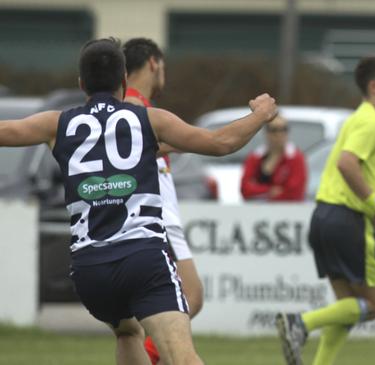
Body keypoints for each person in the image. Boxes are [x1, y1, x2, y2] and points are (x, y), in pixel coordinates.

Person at [0, 38, 277, 365]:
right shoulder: (149, 119)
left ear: (80, 83)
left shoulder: (56, 124)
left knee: (128, 332)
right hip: (142, 259)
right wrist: (260, 115)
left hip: (90, 270)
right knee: (183, 359)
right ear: (124, 82)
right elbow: (222, 142)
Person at [275, 55, 375, 365]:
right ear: (374, 86)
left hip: (323, 216)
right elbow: (346, 163)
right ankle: (301, 323)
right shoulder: (372, 122)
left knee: (348, 305)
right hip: (349, 221)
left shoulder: (357, 117)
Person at [122, 37, 204, 364]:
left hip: (161, 216)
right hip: (157, 218)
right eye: (163, 66)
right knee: (190, 297)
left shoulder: (139, 106)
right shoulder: (133, 106)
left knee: (182, 303)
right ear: (154, 63)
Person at [240, 114, 307, 201]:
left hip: (287, 212)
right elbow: (245, 189)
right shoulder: (255, 157)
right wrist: (270, 191)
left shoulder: (296, 158)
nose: (279, 134)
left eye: (284, 129)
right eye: (274, 130)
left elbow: (294, 192)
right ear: (266, 133)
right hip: (256, 211)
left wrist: (258, 191)